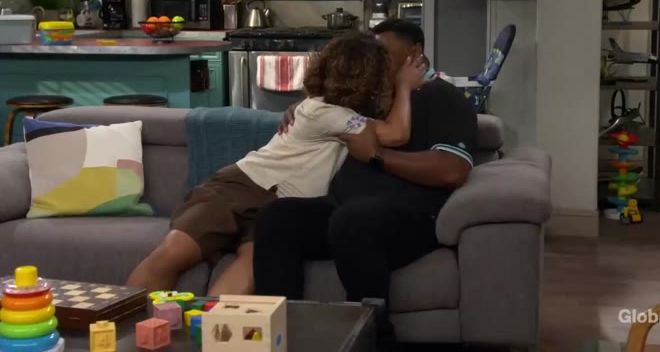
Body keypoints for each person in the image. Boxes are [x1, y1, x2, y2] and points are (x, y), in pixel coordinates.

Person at [126, 32, 427, 296]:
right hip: (241, 186)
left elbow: (378, 129)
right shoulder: (327, 112)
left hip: (277, 208)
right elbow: (397, 134)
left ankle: (212, 334)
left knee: (252, 266)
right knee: (173, 254)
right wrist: (404, 87)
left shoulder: (336, 113)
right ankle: (121, 328)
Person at [252, 19, 480, 345]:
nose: (375, 58)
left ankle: (373, 339)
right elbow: (327, 111)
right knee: (277, 217)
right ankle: (279, 337)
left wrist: (377, 157)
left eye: (382, 50)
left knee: (353, 220)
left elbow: (452, 170)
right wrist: (299, 107)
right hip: (342, 211)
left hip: (409, 218)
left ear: (414, 52)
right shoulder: (374, 99)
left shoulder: (444, 97)